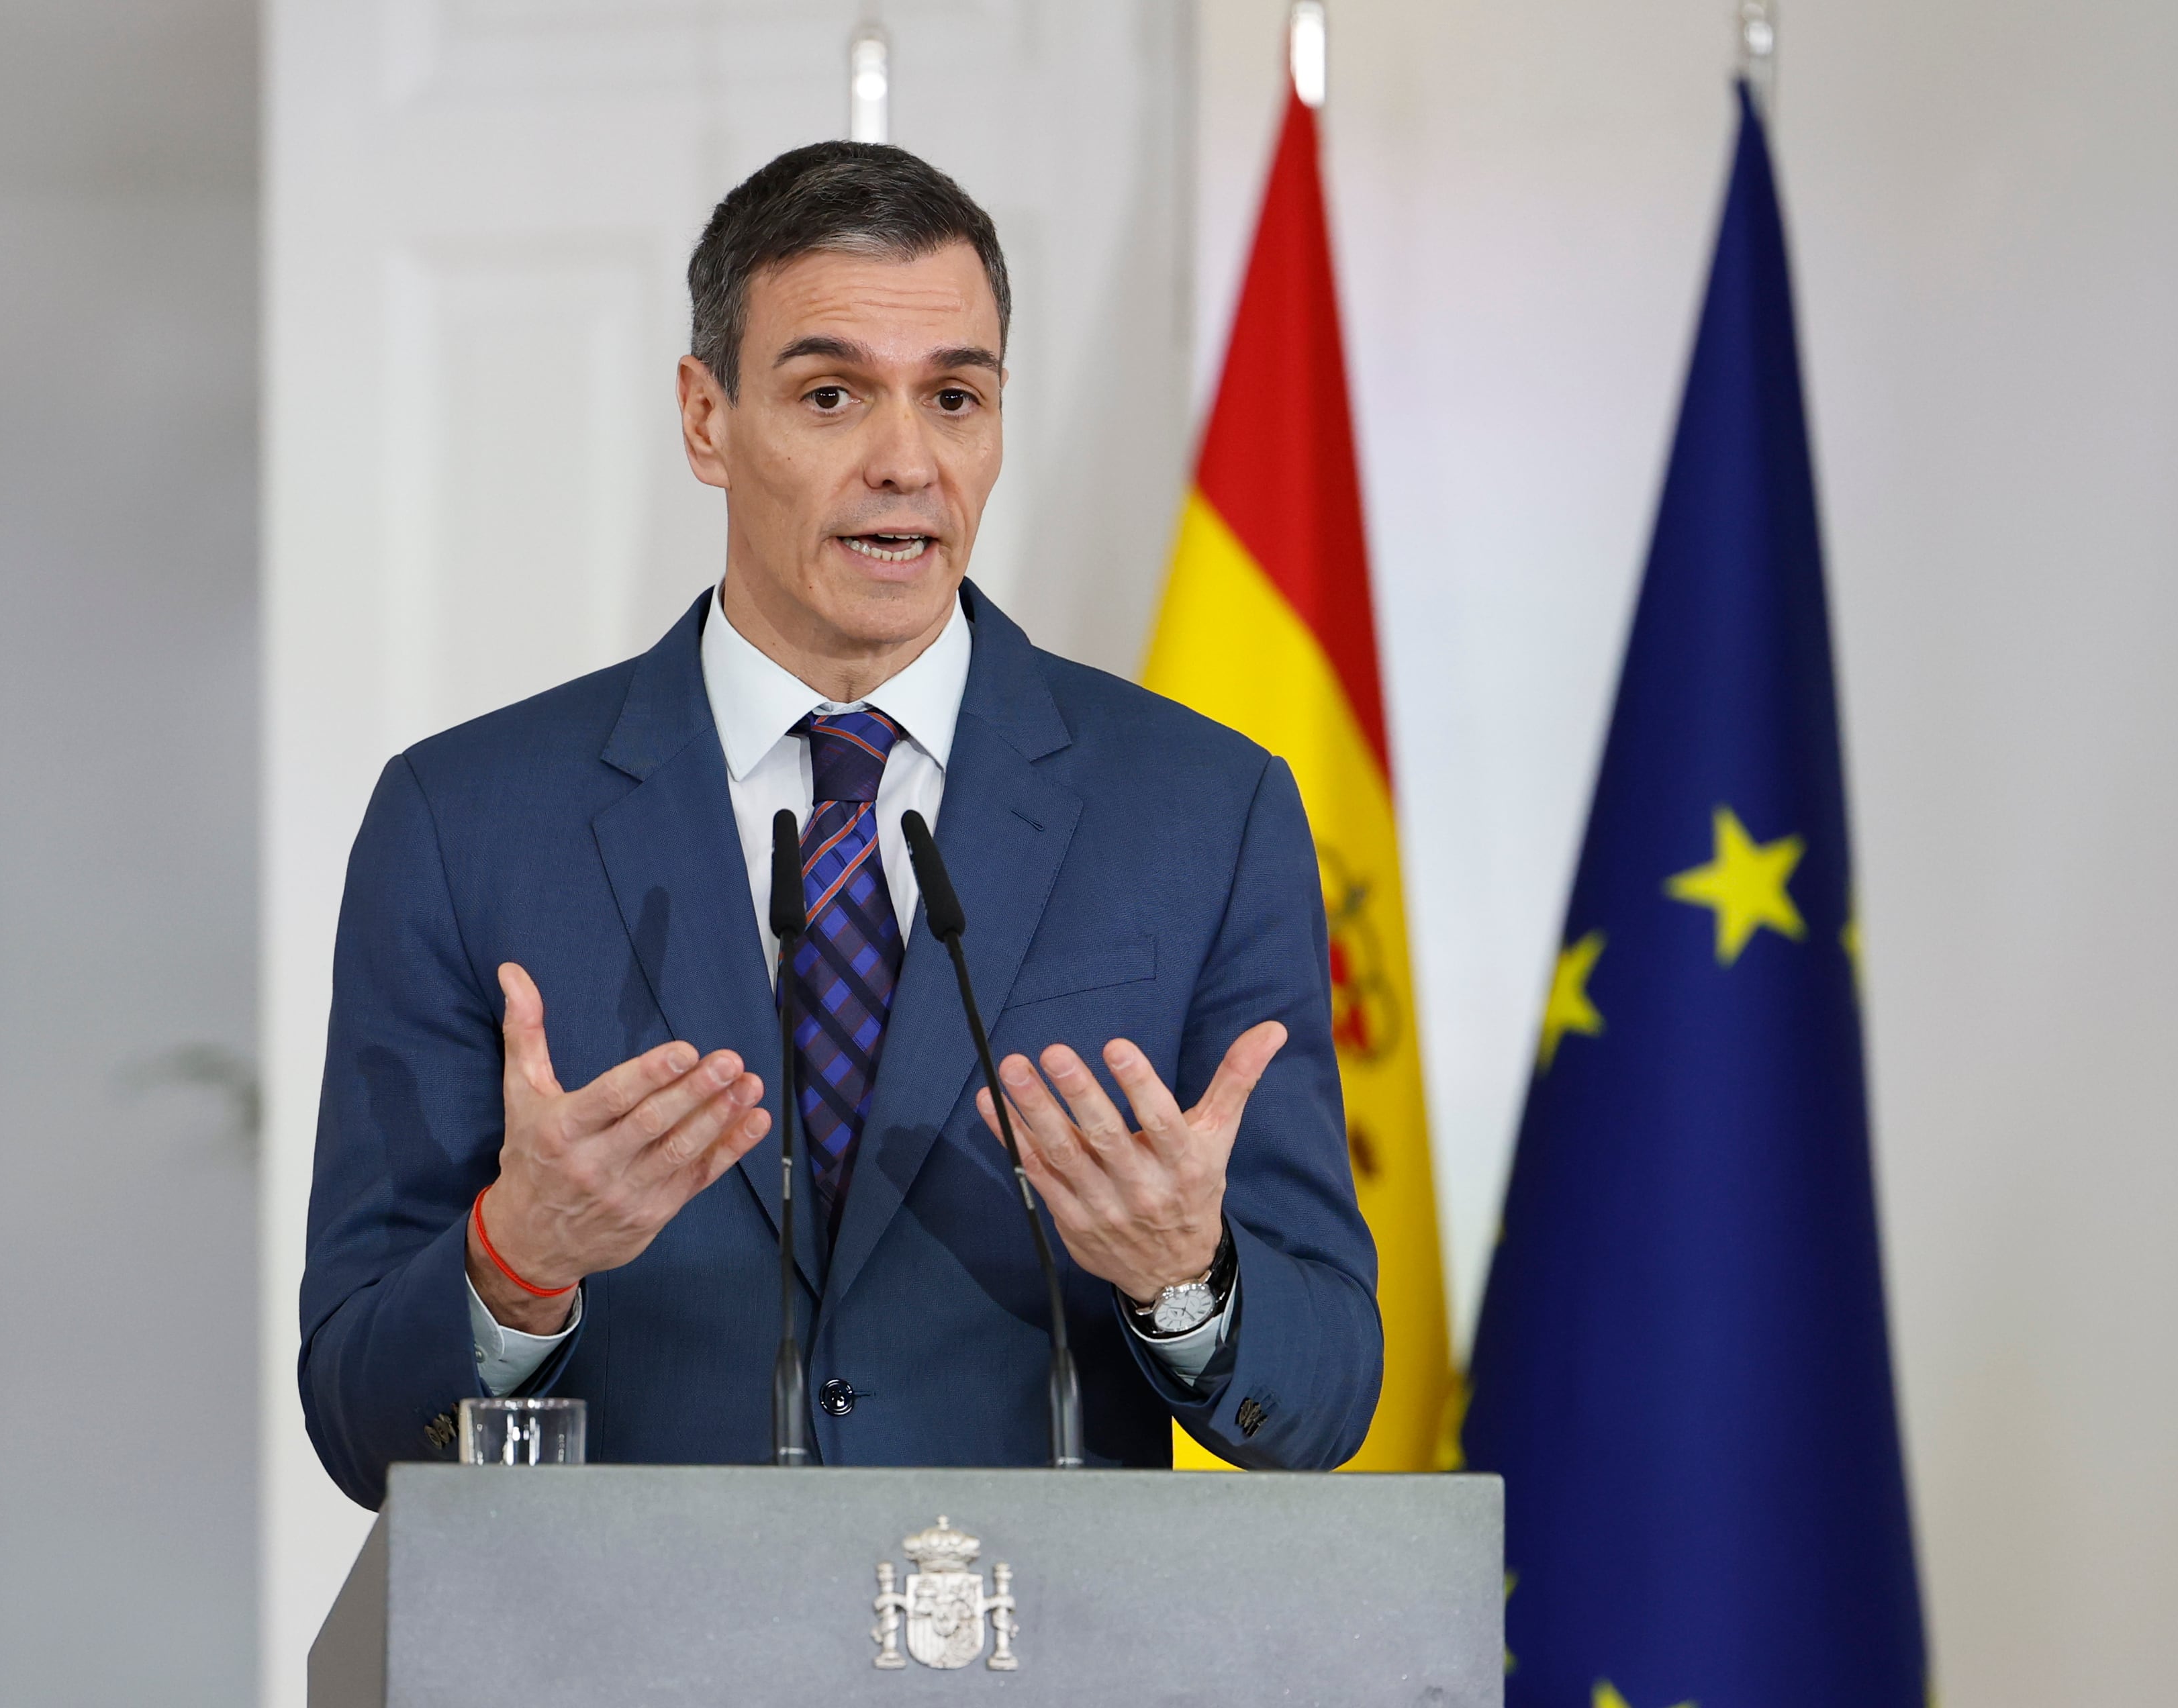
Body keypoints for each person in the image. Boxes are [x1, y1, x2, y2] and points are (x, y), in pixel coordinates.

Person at [299, 141, 1380, 1506]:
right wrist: (517, 1258)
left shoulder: (1201, 811)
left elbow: (1326, 1389)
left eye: (953, 397)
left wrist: (1183, 1277)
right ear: (705, 418)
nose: (904, 462)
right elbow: (355, 1418)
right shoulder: (463, 822)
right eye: (829, 395)